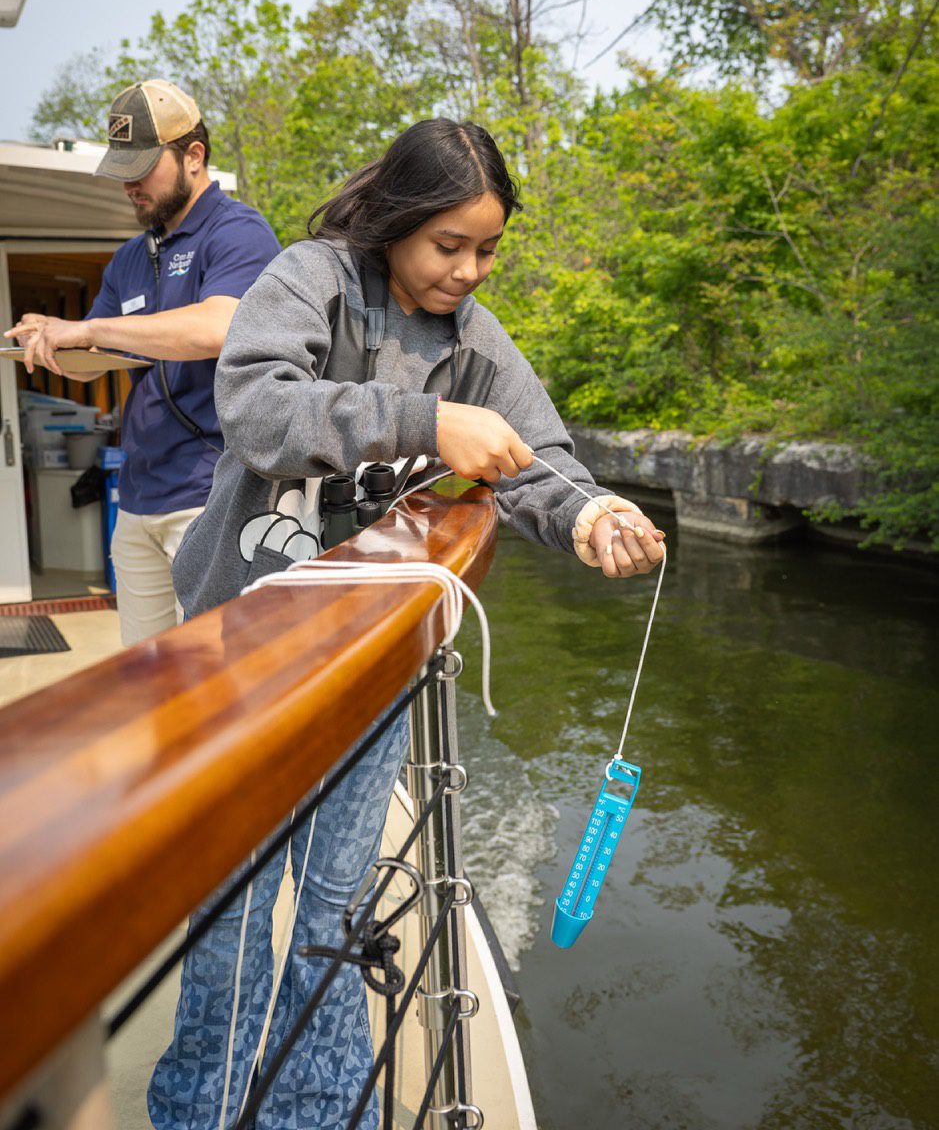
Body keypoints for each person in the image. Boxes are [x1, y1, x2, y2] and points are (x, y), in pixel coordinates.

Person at [150, 118, 665, 1130]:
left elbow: (542, 458)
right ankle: (196, 1116)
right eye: (449, 246)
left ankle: (319, 1113)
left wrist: (595, 514)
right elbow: (256, 407)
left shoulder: (478, 342)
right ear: (394, 223)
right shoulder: (312, 279)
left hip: (371, 667)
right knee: (232, 924)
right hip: (235, 659)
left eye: (488, 251)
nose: (469, 270)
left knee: (335, 916)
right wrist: (427, 424)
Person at [5, 79, 280, 645]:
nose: (129, 185)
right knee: (145, 678)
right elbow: (96, 359)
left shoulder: (239, 233)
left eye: (142, 168)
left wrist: (88, 327)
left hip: (212, 494)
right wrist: (51, 342)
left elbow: (219, 327)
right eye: (122, 169)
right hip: (137, 500)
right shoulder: (130, 256)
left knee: (217, 675)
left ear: (194, 157)